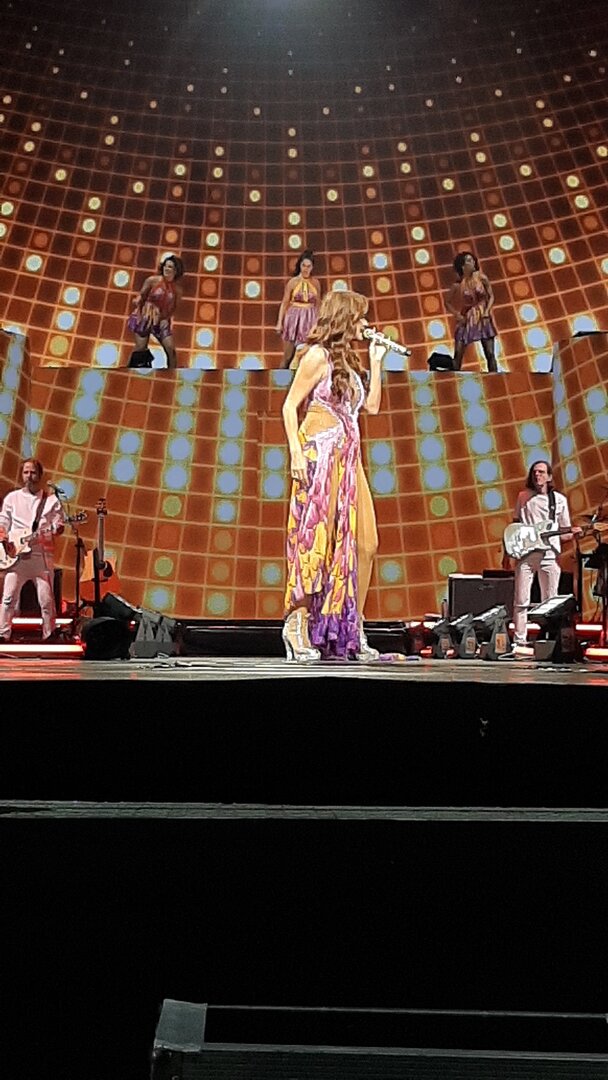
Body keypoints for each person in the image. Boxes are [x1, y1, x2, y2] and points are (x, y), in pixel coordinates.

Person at [281, 289, 387, 662]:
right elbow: (289, 406)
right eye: (359, 317)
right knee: (314, 542)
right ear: (344, 319)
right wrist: (296, 453)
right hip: (318, 453)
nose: (365, 324)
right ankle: (296, 625)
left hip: (348, 459)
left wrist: (376, 362)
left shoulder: (349, 365)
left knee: (367, 543)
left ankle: (353, 627)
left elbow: (371, 407)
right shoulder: (316, 356)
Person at [509, 460, 581, 651]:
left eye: (541, 472)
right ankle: (519, 639)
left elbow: (563, 532)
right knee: (521, 600)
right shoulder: (523, 497)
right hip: (526, 553)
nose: (537, 475)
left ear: (549, 476)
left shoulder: (558, 500)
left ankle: (548, 639)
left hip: (549, 553)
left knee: (549, 600)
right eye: (534, 472)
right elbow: (515, 526)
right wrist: (508, 551)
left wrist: (573, 533)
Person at [0, 458, 65, 642]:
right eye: (26, 472)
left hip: (41, 557)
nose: (29, 476)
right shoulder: (12, 498)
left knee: (46, 599)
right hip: (16, 557)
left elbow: (58, 527)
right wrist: (3, 537)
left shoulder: (51, 500)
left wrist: (58, 528)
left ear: (40, 475)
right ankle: (3, 633)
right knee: (8, 598)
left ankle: (49, 633)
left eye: (33, 472)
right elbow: (3, 522)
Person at [127, 254, 184, 368]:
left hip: (162, 320)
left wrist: (165, 318)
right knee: (139, 349)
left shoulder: (178, 290)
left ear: (176, 271)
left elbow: (173, 308)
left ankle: (171, 374)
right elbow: (142, 296)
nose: (166, 269)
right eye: (165, 266)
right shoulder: (152, 280)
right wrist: (139, 307)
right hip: (146, 316)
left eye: (170, 267)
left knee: (171, 350)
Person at [446, 250, 498, 372]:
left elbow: (491, 296)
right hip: (467, 317)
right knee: (458, 354)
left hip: (482, 316)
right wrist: (457, 315)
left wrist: (487, 311)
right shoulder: (458, 285)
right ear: (462, 266)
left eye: (473, 260)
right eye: (469, 261)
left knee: (490, 353)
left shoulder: (481, 278)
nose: (473, 262)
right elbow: (447, 302)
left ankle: (495, 378)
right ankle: (454, 377)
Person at [275, 250, 321, 369]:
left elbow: (318, 304)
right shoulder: (293, 282)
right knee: (287, 357)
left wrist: (319, 323)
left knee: (308, 356)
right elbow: (284, 303)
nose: (306, 269)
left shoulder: (316, 283)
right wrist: (279, 323)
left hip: (310, 319)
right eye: (303, 265)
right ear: (300, 265)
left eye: (308, 266)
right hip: (293, 320)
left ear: (312, 267)